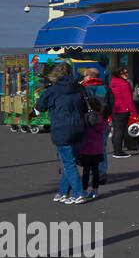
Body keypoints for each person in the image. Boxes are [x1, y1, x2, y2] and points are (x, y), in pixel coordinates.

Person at [34, 63, 89, 204]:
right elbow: (86, 107)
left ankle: (78, 193)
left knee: (68, 163)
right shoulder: (80, 88)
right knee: (70, 162)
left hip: (62, 129)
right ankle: (62, 192)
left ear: (55, 74)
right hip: (79, 127)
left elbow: (40, 107)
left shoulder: (52, 90)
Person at [80, 66, 114, 183]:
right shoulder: (105, 87)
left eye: (84, 76)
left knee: (87, 148)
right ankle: (101, 173)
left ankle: (90, 173)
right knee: (102, 148)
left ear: (89, 76)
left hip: (87, 123)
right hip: (102, 122)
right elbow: (111, 105)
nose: (83, 78)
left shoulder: (83, 88)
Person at [78, 110, 108, 200]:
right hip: (97, 149)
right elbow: (103, 127)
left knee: (86, 171)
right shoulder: (100, 118)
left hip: (86, 149)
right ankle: (95, 190)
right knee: (95, 171)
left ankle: (84, 190)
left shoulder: (84, 117)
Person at [109, 66, 135, 158]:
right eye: (123, 73)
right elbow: (128, 99)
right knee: (120, 130)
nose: (126, 74)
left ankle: (116, 150)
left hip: (115, 109)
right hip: (123, 109)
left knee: (116, 130)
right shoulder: (124, 84)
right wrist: (134, 112)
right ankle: (119, 152)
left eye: (127, 72)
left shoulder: (113, 82)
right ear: (118, 74)